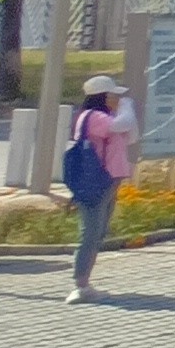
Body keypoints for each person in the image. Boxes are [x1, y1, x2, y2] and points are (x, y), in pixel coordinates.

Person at [62, 75, 135, 303]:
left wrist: (123, 109)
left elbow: (132, 134)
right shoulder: (93, 117)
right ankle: (81, 284)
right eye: (113, 95)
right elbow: (123, 124)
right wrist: (127, 106)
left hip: (109, 180)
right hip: (96, 181)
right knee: (90, 232)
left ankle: (86, 282)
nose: (117, 99)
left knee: (98, 232)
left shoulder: (108, 117)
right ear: (102, 96)